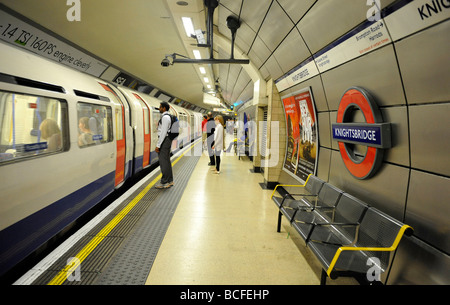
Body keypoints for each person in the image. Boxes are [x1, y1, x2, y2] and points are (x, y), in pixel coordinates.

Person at [155, 102, 174, 189]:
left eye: (160, 107)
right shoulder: (167, 117)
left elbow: (163, 132)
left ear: (164, 108)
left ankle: (165, 182)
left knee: (164, 162)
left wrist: (158, 145)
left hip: (164, 140)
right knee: (166, 161)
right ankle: (170, 181)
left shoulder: (165, 118)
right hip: (166, 140)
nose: (159, 109)